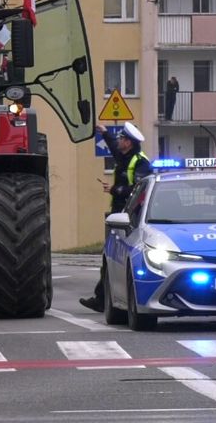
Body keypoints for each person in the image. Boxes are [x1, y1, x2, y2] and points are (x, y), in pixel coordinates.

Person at [80, 121, 152, 312]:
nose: (119, 141)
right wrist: (104, 133)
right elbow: (113, 148)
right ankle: (102, 298)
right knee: (111, 257)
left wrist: (114, 189)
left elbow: (139, 191)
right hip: (119, 215)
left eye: (121, 138)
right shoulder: (125, 157)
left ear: (128, 142)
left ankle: (106, 299)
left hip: (130, 219)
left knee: (117, 258)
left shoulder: (140, 162)